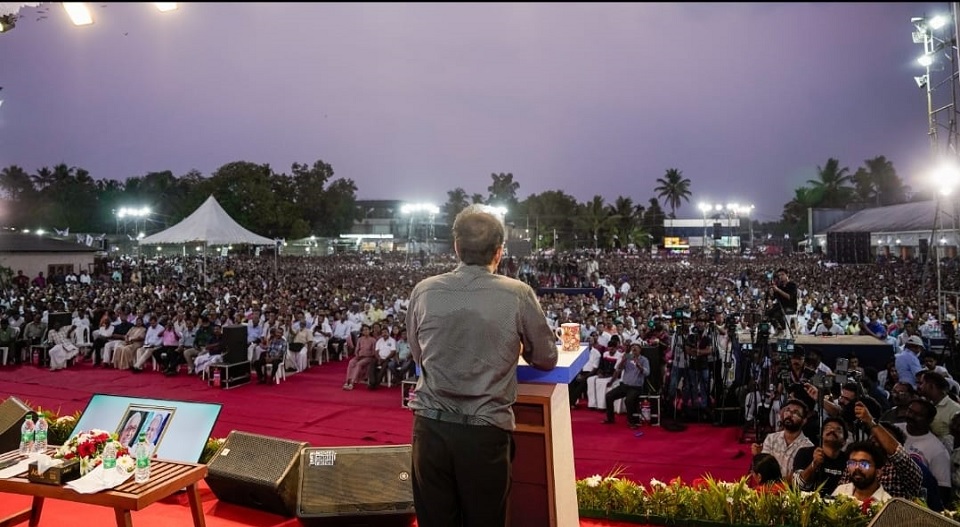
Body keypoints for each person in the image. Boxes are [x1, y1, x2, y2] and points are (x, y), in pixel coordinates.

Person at [406, 204, 558, 527]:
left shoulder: (424, 291)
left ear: (456, 248)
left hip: (429, 430)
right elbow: (547, 358)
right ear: (500, 252)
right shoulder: (517, 294)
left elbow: (418, 355)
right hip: (484, 434)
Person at [602, 342, 650, 429]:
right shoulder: (628, 357)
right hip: (624, 385)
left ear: (640, 350)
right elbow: (619, 369)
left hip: (636, 387)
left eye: (636, 348)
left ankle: (631, 422)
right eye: (633, 348)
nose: (634, 349)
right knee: (609, 396)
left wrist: (639, 366)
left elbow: (647, 373)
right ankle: (610, 418)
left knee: (628, 400)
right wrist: (623, 360)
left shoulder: (644, 360)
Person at [765, 268, 797, 334]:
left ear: (787, 275)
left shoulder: (792, 285)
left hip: (790, 307)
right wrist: (772, 292)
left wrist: (778, 290)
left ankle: (787, 329)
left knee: (777, 314)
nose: (781, 277)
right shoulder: (779, 286)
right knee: (767, 313)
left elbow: (789, 297)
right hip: (781, 306)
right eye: (779, 275)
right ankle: (778, 329)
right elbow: (774, 298)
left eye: (782, 274)